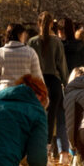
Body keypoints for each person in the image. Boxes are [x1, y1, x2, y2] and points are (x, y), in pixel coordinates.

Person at [27, 12, 67, 157]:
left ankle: (33, 147)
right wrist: (65, 82)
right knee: (51, 118)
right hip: (53, 82)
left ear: (38, 23)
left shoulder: (32, 42)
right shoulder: (57, 42)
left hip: (37, 82)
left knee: (35, 116)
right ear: (51, 24)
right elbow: (62, 65)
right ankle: (47, 149)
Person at [0, 22, 42, 93]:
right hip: (24, 94)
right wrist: (44, 97)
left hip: (4, 94)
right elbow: (38, 78)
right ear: (20, 35)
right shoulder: (30, 52)